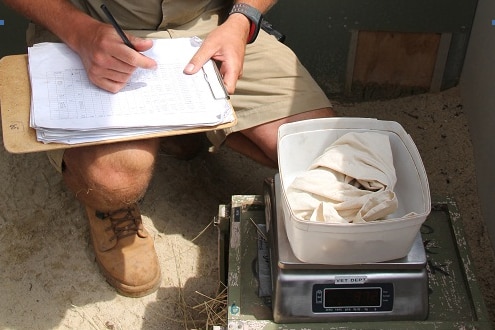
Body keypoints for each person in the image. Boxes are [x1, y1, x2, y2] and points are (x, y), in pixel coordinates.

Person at [3, 0, 335, 297]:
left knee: (323, 155)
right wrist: (79, 31)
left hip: (211, 24)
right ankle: (110, 206)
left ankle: (190, 121)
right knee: (114, 179)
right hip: (95, 26)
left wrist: (242, 19)